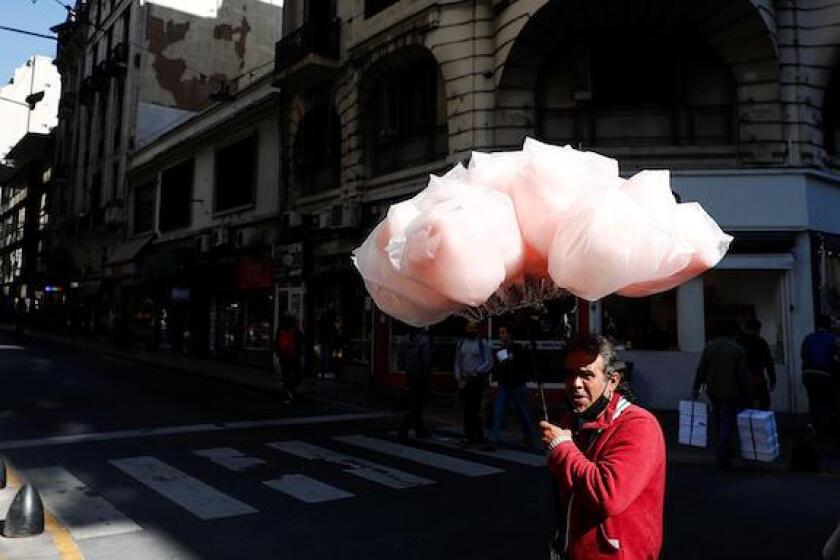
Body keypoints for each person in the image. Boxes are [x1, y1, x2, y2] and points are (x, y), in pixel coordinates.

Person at [539, 335, 665, 560]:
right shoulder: (571, 420)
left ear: (613, 381)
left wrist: (561, 447)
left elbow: (607, 495)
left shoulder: (638, 424)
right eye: (570, 374)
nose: (575, 384)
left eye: (586, 375)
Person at [692, 319, 751, 468]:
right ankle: (724, 454)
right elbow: (742, 375)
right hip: (731, 391)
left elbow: (702, 369)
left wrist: (696, 388)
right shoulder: (738, 350)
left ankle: (724, 449)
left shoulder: (710, 347)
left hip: (713, 389)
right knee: (727, 422)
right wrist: (747, 394)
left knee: (718, 420)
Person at [486, 324, 535, 450]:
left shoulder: (518, 348)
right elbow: (501, 367)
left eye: (503, 332)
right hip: (505, 385)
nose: (501, 335)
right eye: (500, 333)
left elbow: (524, 364)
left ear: (509, 334)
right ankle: (493, 440)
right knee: (498, 413)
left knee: (523, 413)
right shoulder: (500, 350)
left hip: (517, 384)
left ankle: (529, 436)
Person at [453, 321, 493, 445]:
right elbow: (458, 361)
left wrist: (477, 370)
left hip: (477, 379)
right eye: (469, 327)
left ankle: (478, 434)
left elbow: (489, 361)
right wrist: (459, 378)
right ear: (466, 328)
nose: (471, 330)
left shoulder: (483, 344)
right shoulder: (461, 343)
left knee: (477, 408)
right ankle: (468, 434)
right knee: (467, 408)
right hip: (465, 380)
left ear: (477, 330)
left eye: (474, 328)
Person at [800, 315, 840, 433]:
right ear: (829, 325)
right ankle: (828, 424)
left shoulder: (808, 338)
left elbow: (803, 355)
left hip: (807, 373)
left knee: (813, 400)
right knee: (828, 399)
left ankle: (813, 424)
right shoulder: (834, 338)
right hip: (824, 373)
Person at [398, 327, 432, 443]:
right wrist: (426, 374)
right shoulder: (424, 340)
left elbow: (400, 356)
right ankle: (406, 428)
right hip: (420, 374)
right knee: (418, 403)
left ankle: (419, 429)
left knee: (414, 401)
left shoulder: (404, 340)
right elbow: (426, 360)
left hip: (410, 372)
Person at [737, 318, 777, 410]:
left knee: (743, 406)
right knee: (763, 405)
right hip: (758, 378)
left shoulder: (739, 342)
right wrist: (772, 379)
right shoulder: (761, 342)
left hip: (742, 380)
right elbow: (769, 362)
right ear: (758, 329)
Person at [275, 314, 305, 403]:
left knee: (286, 374)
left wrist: (278, 352)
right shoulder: (295, 330)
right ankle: (291, 390)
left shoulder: (281, 329)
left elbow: (277, 341)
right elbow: (301, 341)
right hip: (293, 355)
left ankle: (288, 390)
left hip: (283, 355)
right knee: (296, 373)